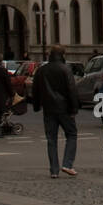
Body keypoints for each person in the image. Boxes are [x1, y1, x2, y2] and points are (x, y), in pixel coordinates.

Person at [32, 45, 80, 178]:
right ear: (63, 55)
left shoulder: (42, 70)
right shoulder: (65, 69)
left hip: (48, 108)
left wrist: (36, 105)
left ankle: (54, 170)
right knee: (71, 134)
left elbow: (35, 89)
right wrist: (74, 108)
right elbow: (72, 90)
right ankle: (67, 163)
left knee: (51, 139)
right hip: (64, 108)